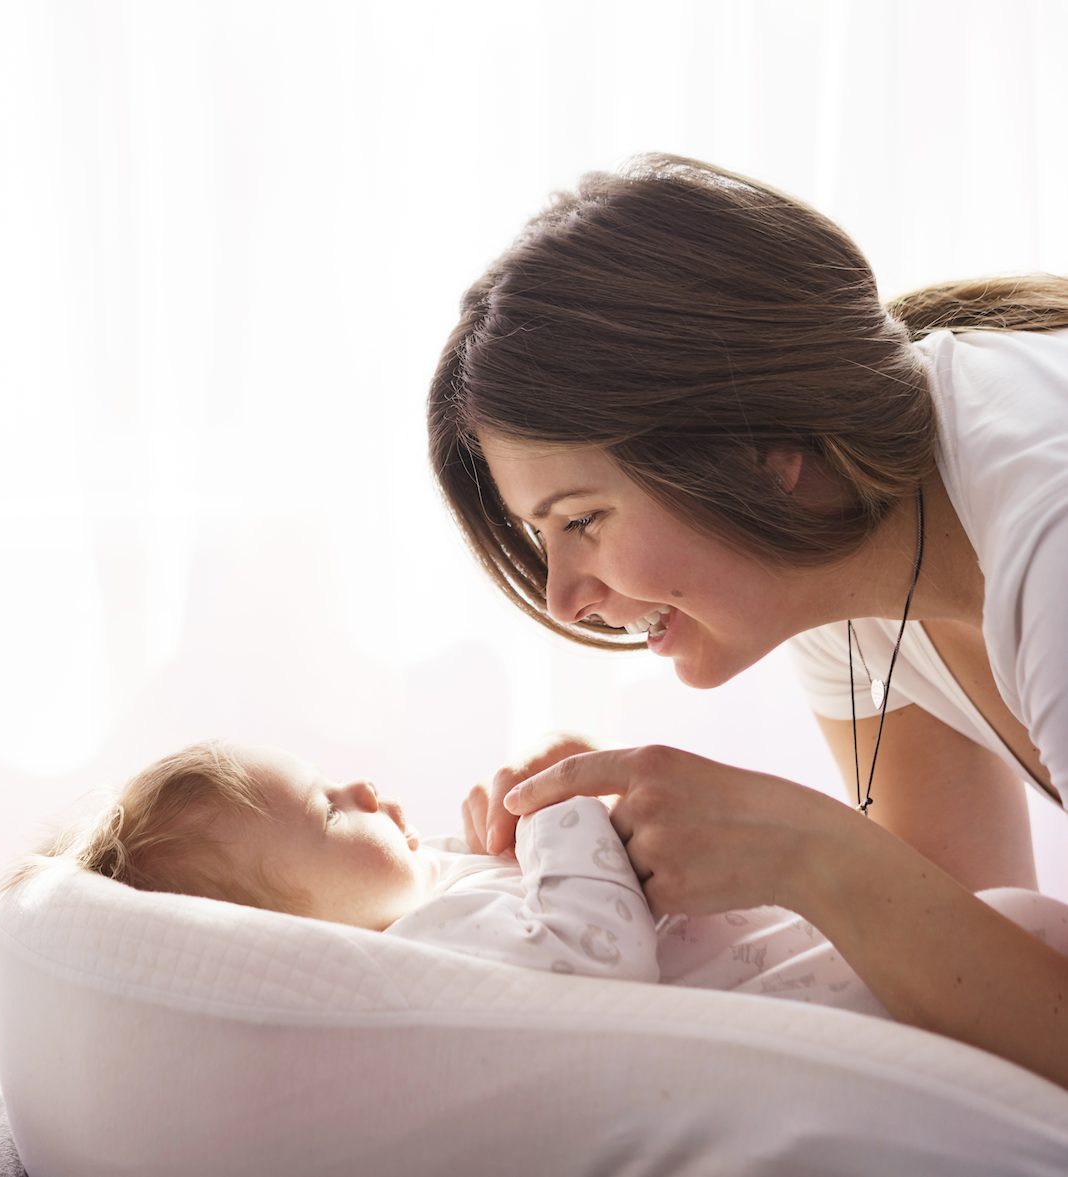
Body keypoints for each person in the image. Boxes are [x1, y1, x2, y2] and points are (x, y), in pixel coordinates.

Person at [427, 153, 1068, 1086]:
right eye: (544, 534)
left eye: (583, 520)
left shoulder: (1048, 535)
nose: (563, 597)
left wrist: (807, 849)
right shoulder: (838, 560)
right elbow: (971, 949)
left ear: (764, 449)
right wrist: (609, 853)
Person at [4, 739, 1068, 1020]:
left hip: (903, 953)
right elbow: (594, 963)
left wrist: (535, 840)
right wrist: (560, 818)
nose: (366, 782)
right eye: (329, 806)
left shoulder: (448, 902)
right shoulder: (420, 958)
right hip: (892, 998)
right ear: (282, 925)